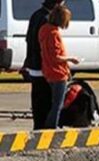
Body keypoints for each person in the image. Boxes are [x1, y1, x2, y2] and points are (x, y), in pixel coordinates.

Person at [23, 0, 64, 130]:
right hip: (44, 66)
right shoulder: (48, 21)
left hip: (33, 64)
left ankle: (38, 127)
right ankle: (45, 130)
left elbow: (29, 39)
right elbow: (48, 49)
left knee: (37, 100)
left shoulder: (35, 15)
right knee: (47, 101)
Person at [39, 5, 79, 129]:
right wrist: (71, 59)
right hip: (58, 72)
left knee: (54, 101)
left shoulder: (43, 29)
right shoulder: (54, 33)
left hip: (47, 70)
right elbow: (57, 56)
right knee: (58, 103)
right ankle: (52, 126)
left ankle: (51, 124)